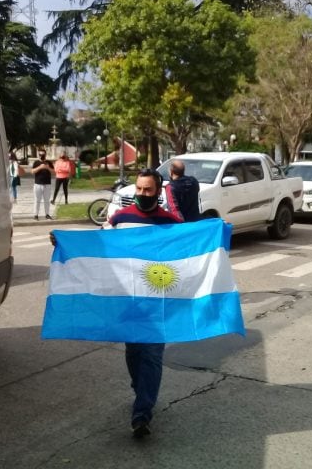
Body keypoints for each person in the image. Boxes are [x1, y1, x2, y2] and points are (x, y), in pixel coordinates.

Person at [107, 168, 181, 437]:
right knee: (134, 352)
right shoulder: (120, 219)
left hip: (156, 300)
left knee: (150, 354)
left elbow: (184, 256)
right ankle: (142, 390)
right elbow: (99, 247)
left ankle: (142, 414)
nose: (141, 194)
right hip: (128, 298)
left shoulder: (169, 222)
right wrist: (65, 242)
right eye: (138, 188)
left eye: (147, 189)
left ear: (158, 192)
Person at [31, 150, 54, 221]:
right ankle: (36, 215)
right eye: (40, 154)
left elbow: (54, 172)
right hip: (38, 184)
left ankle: (47, 214)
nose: (41, 155)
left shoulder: (49, 162)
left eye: (43, 154)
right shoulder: (36, 162)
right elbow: (32, 171)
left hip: (47, 184)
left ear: (45, 154)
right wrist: (40, 167)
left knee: (47, 200)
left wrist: (47, 167)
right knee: (37, 200)